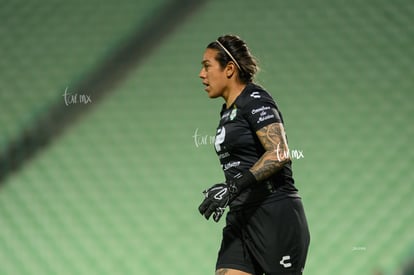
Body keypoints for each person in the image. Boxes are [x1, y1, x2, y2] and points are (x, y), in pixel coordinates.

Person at [198, 34, 310, 275]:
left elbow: (279, 153)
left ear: (229, 69)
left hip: (274, 214)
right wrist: (233, 191)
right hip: (241, 217)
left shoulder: (255, 100)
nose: (201, 74)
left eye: (207, 66)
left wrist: (233, 186)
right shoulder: (227, 112)